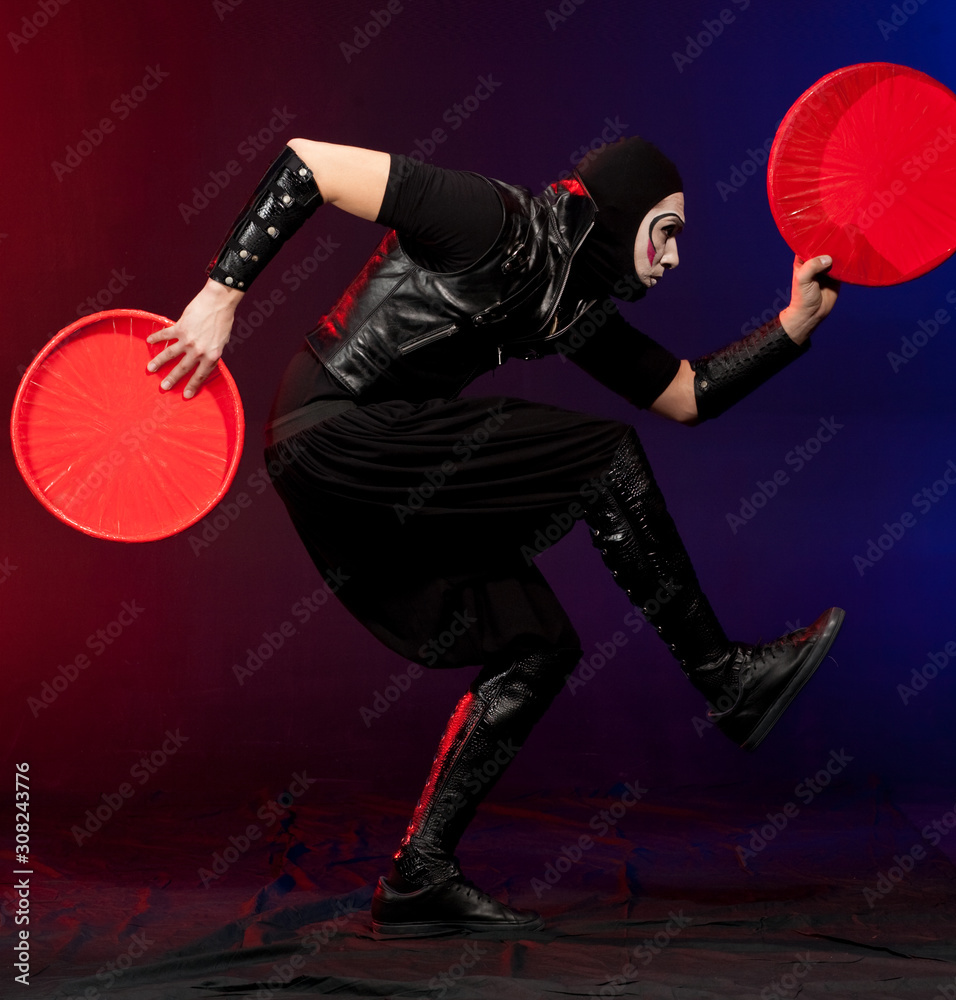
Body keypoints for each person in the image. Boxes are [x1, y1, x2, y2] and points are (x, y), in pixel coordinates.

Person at [147, 135, 843, 938]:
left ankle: (419, 875)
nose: (675, 256)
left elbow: (683, 395)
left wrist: (792, 327)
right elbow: (312, 164)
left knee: (537, 642)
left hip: (362, 464)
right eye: (666, 230)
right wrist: (220, 293)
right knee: (602, 458)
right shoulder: (491, 219)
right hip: (336, 429)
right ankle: (725, 677)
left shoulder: (572, 304)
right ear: (611, 220)